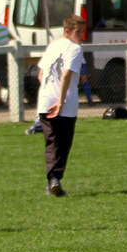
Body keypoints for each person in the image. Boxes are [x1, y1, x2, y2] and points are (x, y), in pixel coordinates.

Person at [35, 15, 87, 197]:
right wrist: (60, 101)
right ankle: (54, 179)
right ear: (67, 31)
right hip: (64, 104)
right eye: (78, 32)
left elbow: (41, 74)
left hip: (45, 102)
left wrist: (48, 92)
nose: (81, 36)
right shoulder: (75, 49)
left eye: (83, 32)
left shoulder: (53, 46)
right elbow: (66, 75)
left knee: (52, 142)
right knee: (63, 144)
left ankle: (53, 181)